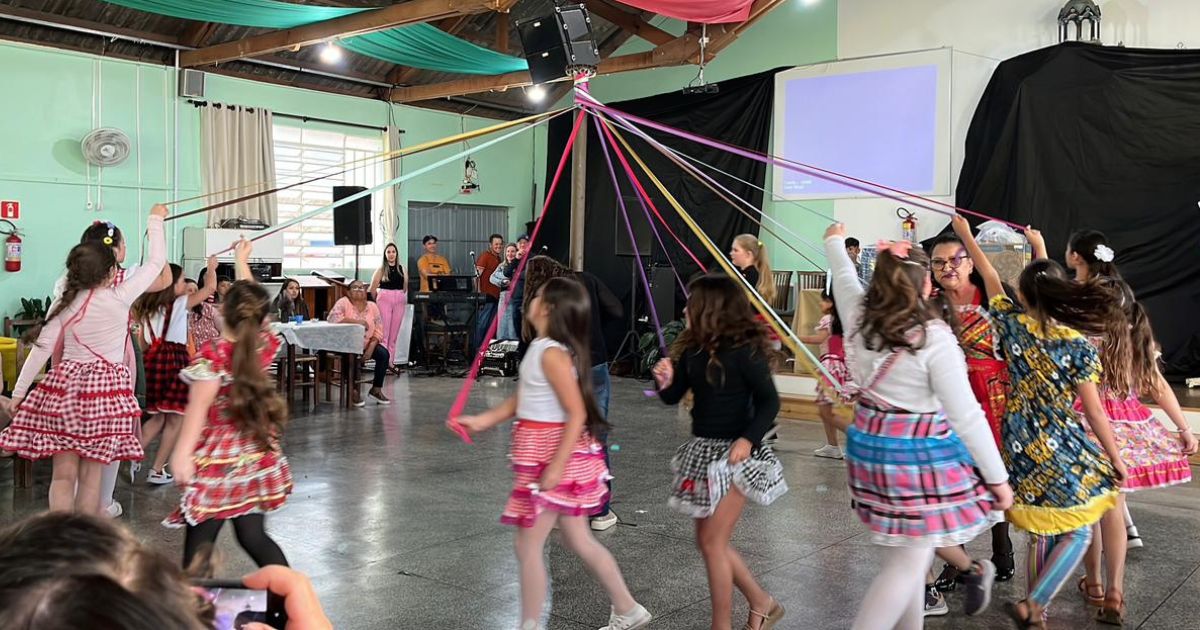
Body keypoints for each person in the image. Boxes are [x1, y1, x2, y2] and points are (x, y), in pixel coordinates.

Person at [824, 222, 1012, 628]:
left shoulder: (858, 318)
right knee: (906, 567)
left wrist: (834, 240)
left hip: (871, 452)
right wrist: (997, 477)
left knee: (910, 557)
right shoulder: (934, 338)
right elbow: (966, 415)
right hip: (917, 461)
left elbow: (842, 275)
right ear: (926, 286)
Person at [952, 216, 1125, 627]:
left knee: (1039, 531)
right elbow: (1095, 412)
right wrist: (1115, 456)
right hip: (1061, 443)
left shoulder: (1011, 326)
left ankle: (1039, 613)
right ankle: (1035, 604)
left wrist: (964, 235)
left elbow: (992, 274)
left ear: (1024, 295)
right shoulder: (1076, 344)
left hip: (1017, 441)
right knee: (1080, 529)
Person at [454, 277, 651, 630]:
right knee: (577, 539)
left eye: (539, 294)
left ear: (547, 309)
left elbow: (576, 412)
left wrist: (558, 466)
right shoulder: (541, 348)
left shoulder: (553, 354)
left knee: (528, 544)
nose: (531, 297)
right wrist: (483, 420)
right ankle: (627, 606)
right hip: (545, 456)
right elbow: (522, 399)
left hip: (555, 458)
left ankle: (530, 624)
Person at [0, 204, 168, 514]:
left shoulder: (65, 301)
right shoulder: (120, 297)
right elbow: (157, 262)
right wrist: (155, 220)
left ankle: (60, 532)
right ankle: (83, 537)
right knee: (91, 480)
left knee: (62, 477)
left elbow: (42, 349)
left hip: (64, 394)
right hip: (105, 398)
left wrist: (19, 394)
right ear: (110, 272)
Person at [1066, 230, 1196, 624]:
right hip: (1127, 421)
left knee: (1093, 509)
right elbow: (1156, 384)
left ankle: (1093, 582)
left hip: (1086, 422)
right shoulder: (1135, 329)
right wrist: (1183, 428)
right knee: (1115, 508)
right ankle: (1115, 591)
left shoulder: (1079, 329)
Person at [652, 273, 788, 630]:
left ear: (710, 308)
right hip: (703, 452)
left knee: (713, 541)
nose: (684, 309)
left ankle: (721, 624)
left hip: (737, 457)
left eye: (690, 303)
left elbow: (769, 401)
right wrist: (664, 379)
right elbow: (671, 396)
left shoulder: (744, 351)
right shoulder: (693, 350)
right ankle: (762, 602)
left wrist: (748, 439)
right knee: (709, 541)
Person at [0, 512, 332, 629]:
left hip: (217, 469)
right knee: (251, 536)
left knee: (213, 539)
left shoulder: (212, 361)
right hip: (248, 466)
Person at [924, 230, 1032, 589]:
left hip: (995, 396)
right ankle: (957, 561)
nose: (947, 267)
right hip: (948, 396)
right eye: (939, 262)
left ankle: (1003, 550)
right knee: (952, 479)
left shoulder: (993, 297)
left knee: (993, 471)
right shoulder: (931, 304)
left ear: (970, 261)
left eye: (956, 259)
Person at [167, 266, 294, 571]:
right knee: (253, 536)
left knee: (200, 544)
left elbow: (197, 410)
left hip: (219, 460)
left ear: (223, 310)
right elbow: (254, 307)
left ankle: (195, 608)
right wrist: (242, 261)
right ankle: (288, 596)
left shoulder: (213, 355)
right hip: (254, 452)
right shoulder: (261, 345)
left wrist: (181, 454)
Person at [48, 220, 173, 519]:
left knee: (69, 445)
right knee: (108, 436)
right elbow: (164, 276)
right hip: (112, 369)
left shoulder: (67, 280)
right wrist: (156, 230)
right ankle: (100, 504)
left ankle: (68, 512)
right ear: (114, 251)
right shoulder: (123, 279)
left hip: (68, 367)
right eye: (124, 244)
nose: (126, 249)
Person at [521, 256, 624, 531]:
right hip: (596, 365)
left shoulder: (546, 293)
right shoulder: (586, 279)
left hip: (562, 369)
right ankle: (600, 511)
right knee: (595, 437)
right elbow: (617, 309)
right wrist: (600, 341)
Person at [131, 258, 219, 485]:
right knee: (175, 420)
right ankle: (157, 469)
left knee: (158, 416)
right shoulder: (179, 304)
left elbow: (142, 344)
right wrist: (210, 269)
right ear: (169, 284)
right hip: (175, 364)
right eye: (180, 281)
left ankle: (132, 455)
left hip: (153, 364)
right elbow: (210, 288)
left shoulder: (146, 308)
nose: (183, 286)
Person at [798, 289, 857, 460]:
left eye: (824, 301)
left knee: (825, 410)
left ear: (832, 303)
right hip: (841, 366)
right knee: (828, 409)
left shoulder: (828, 319)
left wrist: (796, 337)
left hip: (831, 367)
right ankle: (833, 445)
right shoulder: (845, 321)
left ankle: (858, 439)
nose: (820, 303)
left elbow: (818, 339)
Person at [328, 280, 390, 407]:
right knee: (349, 356)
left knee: (384, 354)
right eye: (355, 287)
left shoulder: (372, 306)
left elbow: (379, 329)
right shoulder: (343, 302)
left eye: (362, 287)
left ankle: (376, 389)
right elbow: (332, 319)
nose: (359, 290)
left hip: (366, 343)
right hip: (346, 343)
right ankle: (353, 390)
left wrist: (371, 348)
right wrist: (357, 322)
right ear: (348, 292)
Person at [369, 243, 408, 370]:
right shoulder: (381, 270)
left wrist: (400, 296)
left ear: (397, 254)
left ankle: (391, 362)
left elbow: (405, 287)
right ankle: (383, 362)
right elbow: (372, 289)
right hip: (385, 299)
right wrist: (379, 301)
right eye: (388, 252)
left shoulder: (402, 268)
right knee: (384, 334)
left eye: (393, 252)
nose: (391, 254)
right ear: (385, 255)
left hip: (399, 299)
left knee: (394, 334)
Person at [474, 234, 505, 348]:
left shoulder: (499, 259)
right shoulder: (485, 256)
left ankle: (487, 351)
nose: (498, 246)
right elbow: (476, 276)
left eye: (500, 244)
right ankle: (477, 351)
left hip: (496, 297)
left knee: (490, 327)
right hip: (486, 296)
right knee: (482, 324)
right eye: (496, 244)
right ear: (490, 245)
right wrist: (479, 294)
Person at [729, 234, 777, 305]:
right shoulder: (749, 273)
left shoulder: (751, 275)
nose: (731, 253)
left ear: (748, 254)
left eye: (735, 250)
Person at [492, 242, 519, 341]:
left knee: (513, 325)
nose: (510, 254)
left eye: (512, 251)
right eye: (508, 251)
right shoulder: (502, 266)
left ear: (516, 252)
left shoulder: (519, 265)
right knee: (502, 325)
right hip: (504, 296)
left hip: (516, 297)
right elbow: (492, 278)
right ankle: (502, 352)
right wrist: (502, 282)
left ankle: (514, 352)